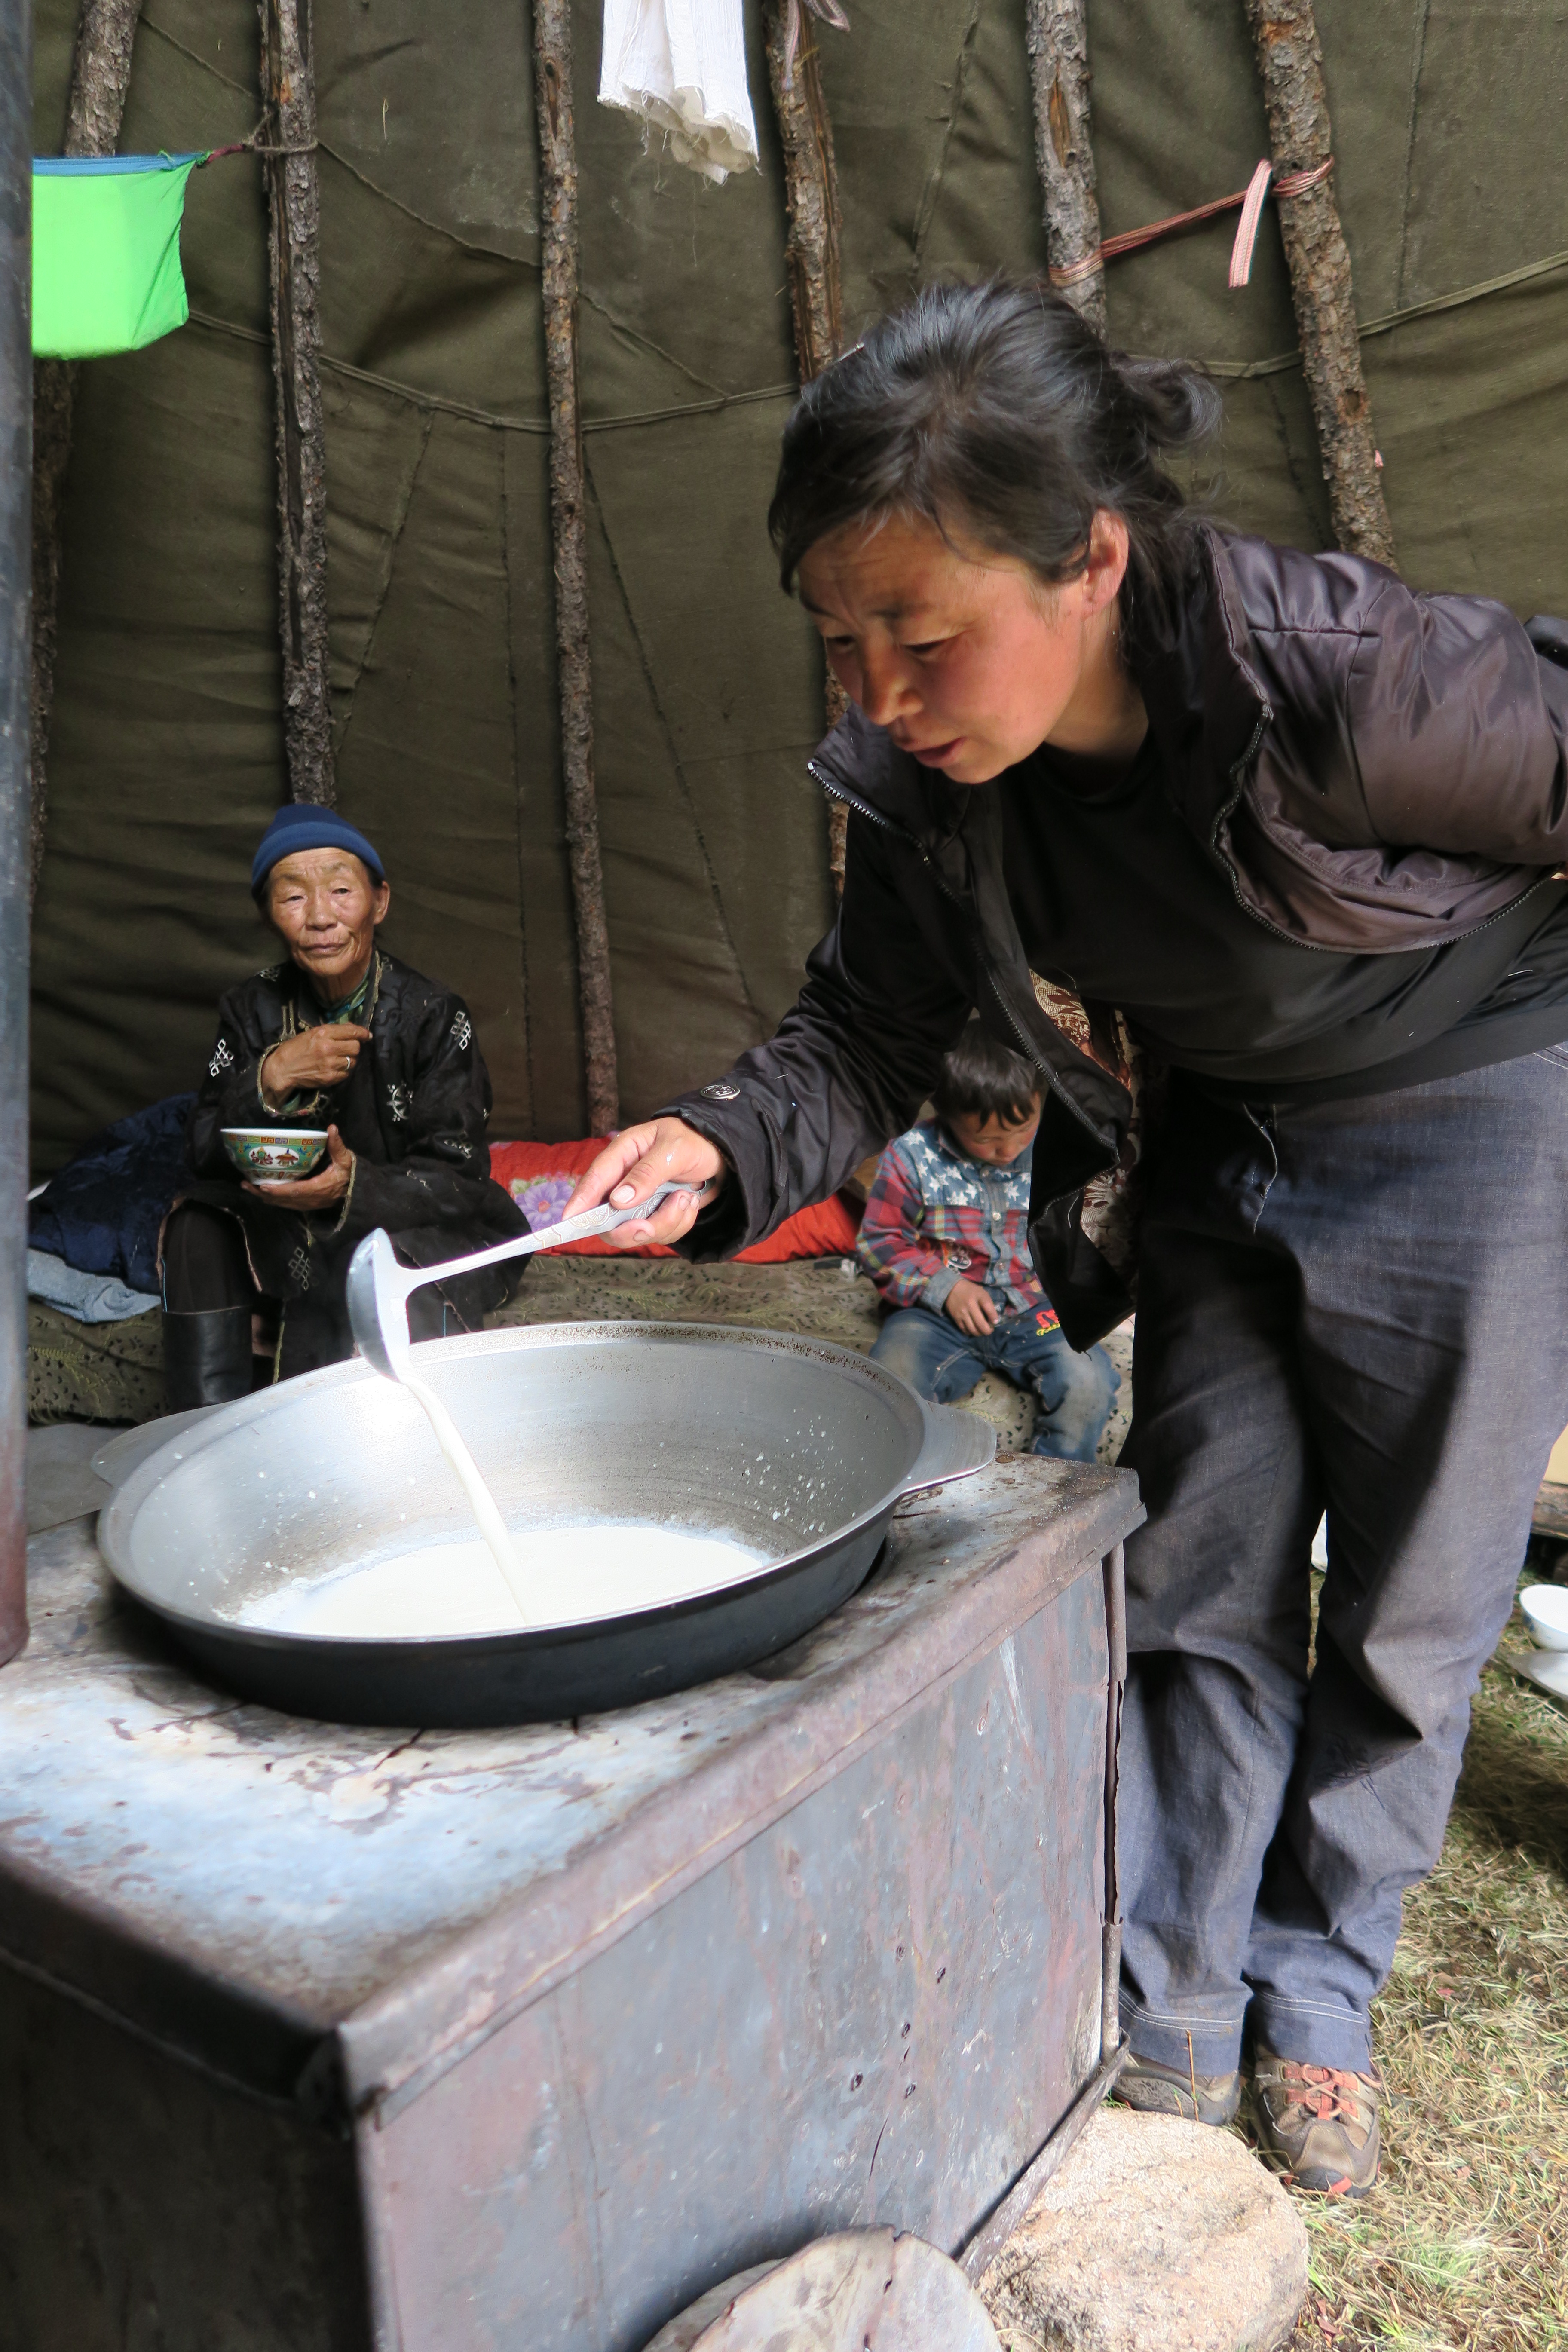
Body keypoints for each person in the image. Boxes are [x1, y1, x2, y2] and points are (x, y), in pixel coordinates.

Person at [564, 278, 1568, 2196]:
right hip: (1211, 1129)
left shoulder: (1334, 672)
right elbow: (858, 1029)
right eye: (839, 639)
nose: (875, 692)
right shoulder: (932, 794)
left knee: (1412, 1606)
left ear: (1087, 556)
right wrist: (706, 1144)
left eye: (921, 635)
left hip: (1469, 1118)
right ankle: (1172, 1984)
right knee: (1195, 1560)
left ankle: (1319, 1979)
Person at [165, 804, 526, 1404]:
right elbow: (203, 1150)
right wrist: (270, 1077)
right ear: (268, 915)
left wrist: (350, 1188)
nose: (321, 919)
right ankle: (202, 1443)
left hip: (415, 1220)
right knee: (196, 1221)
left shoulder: (434, 1017)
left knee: (395, 1257)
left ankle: (412, 1451)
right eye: (293, 899)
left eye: (339, 890)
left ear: (378, 902)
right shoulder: (249, 1008)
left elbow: (457, 1178)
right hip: (282, 1222)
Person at [858, 1020, 1118, 1459]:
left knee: (1088, 1383)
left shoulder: (1058, 1148)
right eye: (987, 1139)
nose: (1009, 1150)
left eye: (1023, 1130)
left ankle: (1051, 1502)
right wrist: (946, 1289)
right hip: (936, 1315)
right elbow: (880, 1244)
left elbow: (1093, 1227)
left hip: (1036, 1309)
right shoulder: (912, 1157)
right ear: (945, 1116)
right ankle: (906, 1501)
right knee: (889, 1385)